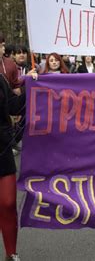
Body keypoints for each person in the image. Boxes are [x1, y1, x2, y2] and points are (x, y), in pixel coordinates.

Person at [0, 69, 37, 261]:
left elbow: (13, 107)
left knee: (7, 202)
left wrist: (29, 87)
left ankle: (11, 253)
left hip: (2, 148)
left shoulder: (0, 79)